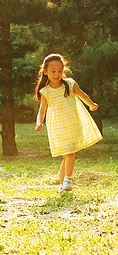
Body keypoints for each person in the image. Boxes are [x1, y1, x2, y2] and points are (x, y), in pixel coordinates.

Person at [34, 54, 102, 193]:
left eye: (60, 71)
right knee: (67, 154)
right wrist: (39, 123)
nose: (57, 74)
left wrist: (91, 104)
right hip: (58, 126)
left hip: (72, 123)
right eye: (53, 71)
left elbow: (82, 95)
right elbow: (41, 111)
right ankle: (63, 185)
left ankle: (67, 180)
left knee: (70, 152)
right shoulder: (45, 91)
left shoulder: (70, 84)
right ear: (45, 71)